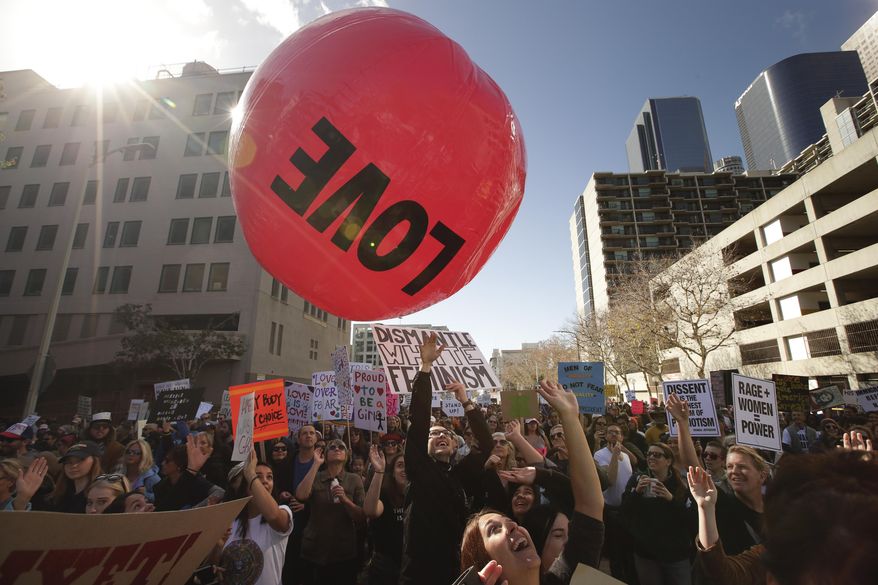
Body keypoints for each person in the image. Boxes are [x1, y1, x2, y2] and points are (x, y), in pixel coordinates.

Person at [460, 379, 605, 585]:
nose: (512, 525)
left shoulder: (566, 578)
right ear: (484, 563)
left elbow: (590, 504)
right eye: (494, 529)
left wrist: (570, 417)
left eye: (507, 522)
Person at [689, 431, 876, 585]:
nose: (734, 472)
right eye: (729, 467)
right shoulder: (777, 550)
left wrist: (862, 481)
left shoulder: (858, 553)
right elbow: (722, 572)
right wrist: (705, 508)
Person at [399, 332, 494, 585]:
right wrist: (426, 367)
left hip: (457, 573)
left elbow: (488, 446)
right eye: (434, 434)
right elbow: (418, 420)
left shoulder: (460, 474)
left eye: (446, 433)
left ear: (455, 444)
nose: (440, 435)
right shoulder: (419, 469)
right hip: (419, 576)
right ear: (424, 446)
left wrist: (465, 400)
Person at [621, 442, 692, 585]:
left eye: (657, 455)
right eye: (649, 454)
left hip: (675, 555)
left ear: (668, 461)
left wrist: (671, 499)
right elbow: (625, 511)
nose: (651, 457)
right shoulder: (637, 479)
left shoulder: (680, 485)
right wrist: (637, 492)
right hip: (646, 554)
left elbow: (690, 519)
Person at [296, 439, 365, 584]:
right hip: (315, 550)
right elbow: (301, 495)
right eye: (332, 447)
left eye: (341, 447)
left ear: (346, 456)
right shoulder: (316, 476)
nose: (337, 448)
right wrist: (315, 464)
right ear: (326, 456)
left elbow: (361, 517)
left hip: (343, 552)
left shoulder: (354, 480)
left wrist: (345, 500)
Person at [221, 450, 293, 585]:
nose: (265, 481)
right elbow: (218, 561)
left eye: (270, 477)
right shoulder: (230, 521)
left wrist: (250, 474)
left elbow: (273, 516)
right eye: (258, 476)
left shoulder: (283, 511)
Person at [593, 423, 635, 582]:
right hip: (610, 510)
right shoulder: (599, 455)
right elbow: (609, 480)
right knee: (615, 551)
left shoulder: (624, 453)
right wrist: (614, 456)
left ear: (622, 436)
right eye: (610, 432)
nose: (613, 435)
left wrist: (623, 450)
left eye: (617, 432)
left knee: (628, 550)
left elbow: (636, 461)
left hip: (627, 509)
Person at [364, 445, 407, 585]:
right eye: (400, 465)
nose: (405, 469)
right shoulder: (385, 494)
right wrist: (379, 471)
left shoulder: (420, 497)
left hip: (411, 567)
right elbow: (370, 511)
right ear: (393, 472)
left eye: (408, 465)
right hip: (386, 568)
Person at [153, 435, 217, 511]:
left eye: (167, 461)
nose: (162, 463)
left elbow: (219, 492)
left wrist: (194, 510)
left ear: (179, 465)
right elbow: (161, 511)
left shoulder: (196, 481)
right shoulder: (160, 486)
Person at [46, 441, 103, 512]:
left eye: (80, 460)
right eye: (68, 462)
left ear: (95, 461)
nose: (73, 465)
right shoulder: (60, 494)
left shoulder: (103, 492)